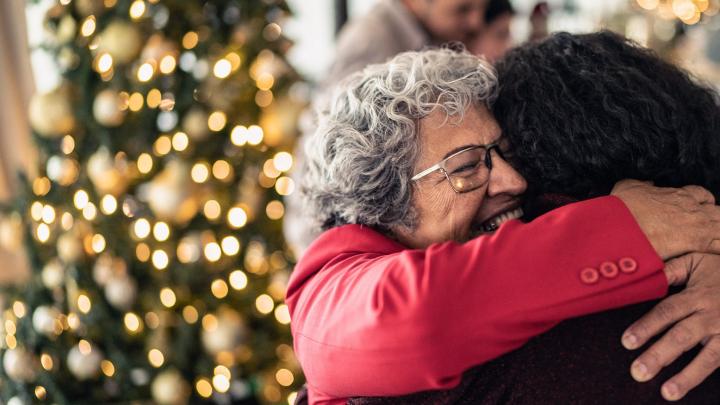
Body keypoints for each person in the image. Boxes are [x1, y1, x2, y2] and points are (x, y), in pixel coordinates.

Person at [286, 47, 720, 405]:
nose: (515, 181)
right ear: (382, 201)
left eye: (504, 152)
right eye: (469, 166)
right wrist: (628, 225)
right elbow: (424, 319)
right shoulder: (328, 285)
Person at [284, 0, 488, 257]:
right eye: (463, 9)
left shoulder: (419, 34)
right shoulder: (374, 40)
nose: (476, 23)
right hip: (333, 235)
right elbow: (334, 145)